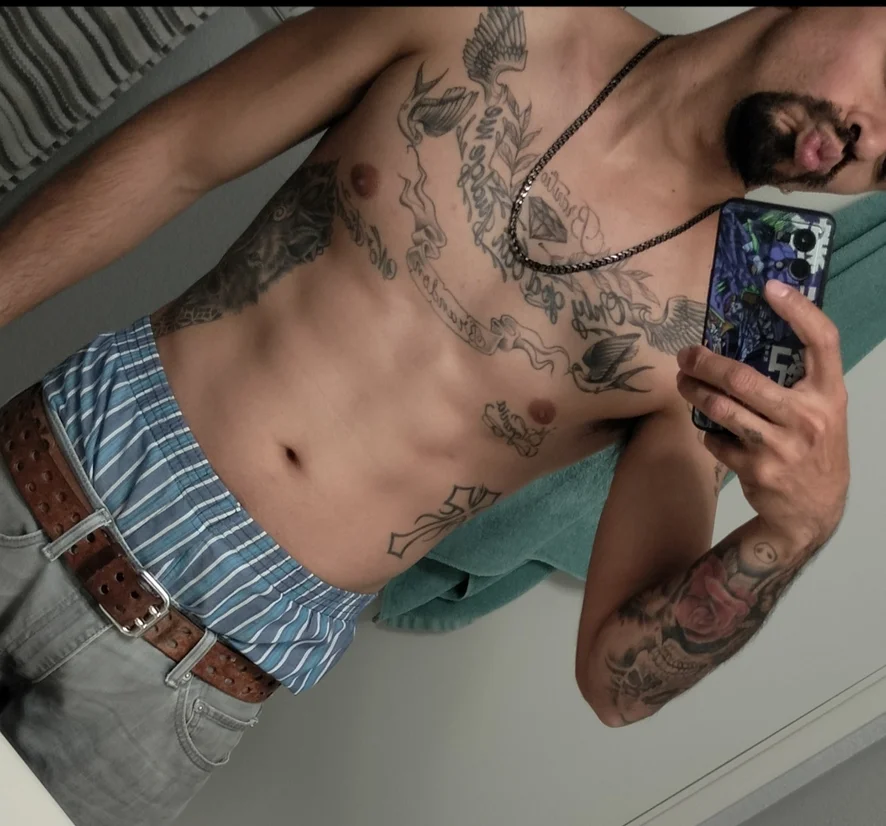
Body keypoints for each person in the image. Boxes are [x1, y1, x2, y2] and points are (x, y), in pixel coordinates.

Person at [0, 5, 870, 825]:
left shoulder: (747, 314)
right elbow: (179, 153)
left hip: (181, 684)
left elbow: (617, 686)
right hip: (42, 479)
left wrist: (796, 530)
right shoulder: (496, 20)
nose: (872, 142)